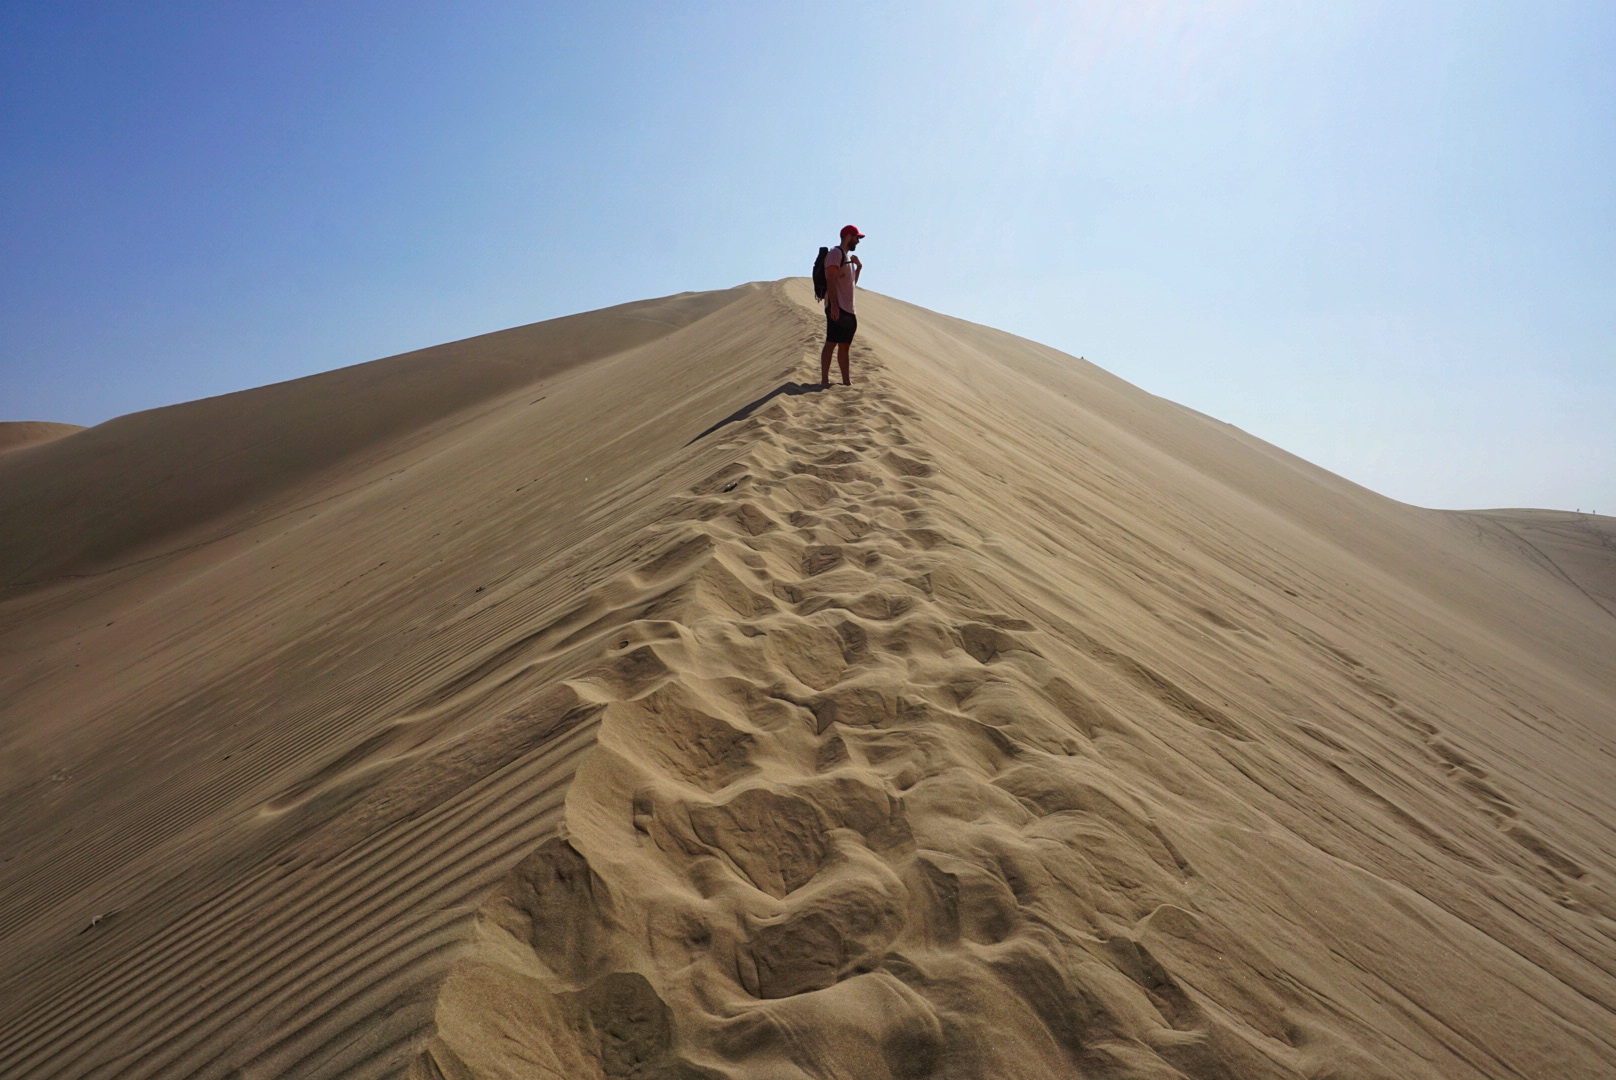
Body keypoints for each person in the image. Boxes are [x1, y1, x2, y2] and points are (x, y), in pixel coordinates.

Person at [820, 225, 864, 387]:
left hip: (849, 309)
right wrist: (834, 306)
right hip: (837, 307)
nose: (858, 241)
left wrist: (858, 268)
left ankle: (846, 382)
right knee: (831, 342)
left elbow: (850, 285)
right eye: (856, 237)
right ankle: (824, 380)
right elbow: (830, 279)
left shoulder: (847, 258)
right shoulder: (835, 254)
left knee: (845, 346)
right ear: (848, 237)